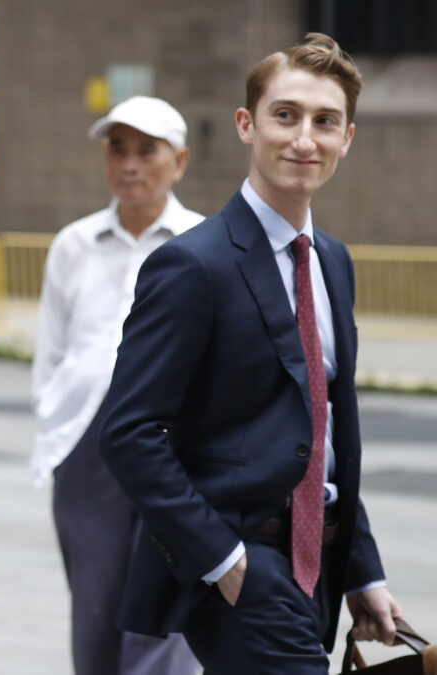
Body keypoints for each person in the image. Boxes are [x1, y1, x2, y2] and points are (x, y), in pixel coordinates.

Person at [98, 33, 403, 673]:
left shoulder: (334, 262)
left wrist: (362, 572)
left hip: (320, 567)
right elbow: (129, 433)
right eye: (285, 115)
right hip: (242, 568)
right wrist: (225, 563)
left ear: (347, 138)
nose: (304, 139)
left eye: (325, 122)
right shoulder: (192, 265)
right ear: (247, 125)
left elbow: (322, 433)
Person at [31, 95, 203, 675]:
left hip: (176, 444)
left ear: (179, 161)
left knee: (164, 609)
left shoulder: (204, 243)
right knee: (95, 609)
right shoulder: (74, 244)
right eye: (118, 149)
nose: (130, 164)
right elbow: (52, 351)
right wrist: (56, 419)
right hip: (88, 444)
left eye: (147, 151)